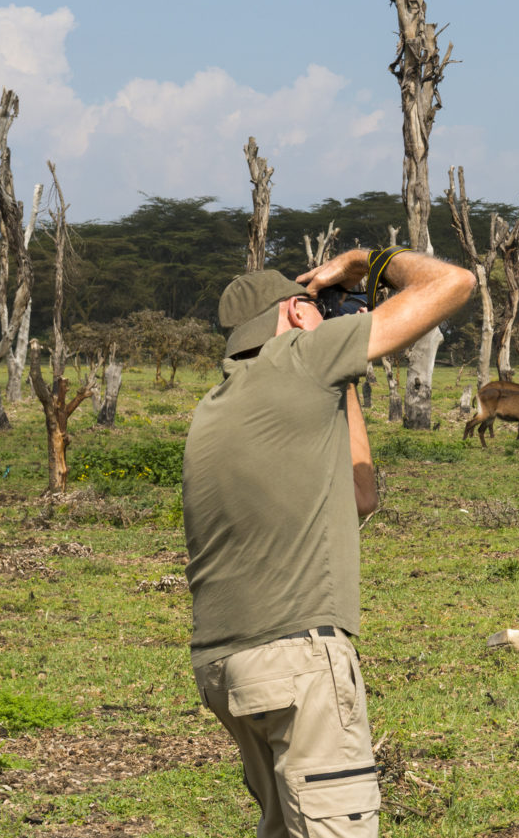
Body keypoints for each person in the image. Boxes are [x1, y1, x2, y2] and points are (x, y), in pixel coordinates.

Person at [184, 246, 473, 838]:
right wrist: (363, 263)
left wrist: (341, 380)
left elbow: (361, 495)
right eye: (317, 308)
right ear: (293, 314)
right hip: (298, 660)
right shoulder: (300, 357)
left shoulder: (215, 408)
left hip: (227, 669)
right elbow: (453, 283)